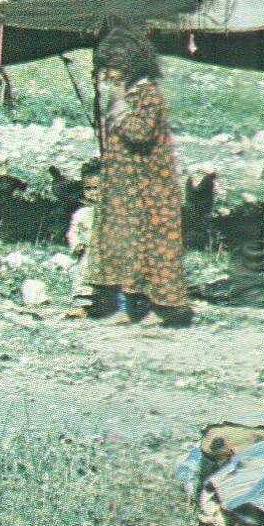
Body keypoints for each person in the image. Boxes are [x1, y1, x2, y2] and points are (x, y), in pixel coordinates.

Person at [92, 28, 191, 327]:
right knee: (123, 245)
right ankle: (126, 307)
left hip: (149, 189)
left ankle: (152, 310)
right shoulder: (126, 95)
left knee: (149, 248)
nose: (109, 74)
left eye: (114, 68)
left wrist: (120, 106)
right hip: (125, 188)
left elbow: (139, 132)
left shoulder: (148, 95)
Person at [64, 158, 104, 317]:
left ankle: (107, 305)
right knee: (84, 279)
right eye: (88, 189)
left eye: (97, 188)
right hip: (88, 253)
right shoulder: (82, 214)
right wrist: (76, 244)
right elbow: (72, 232)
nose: (93, 193)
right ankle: (83, 305)